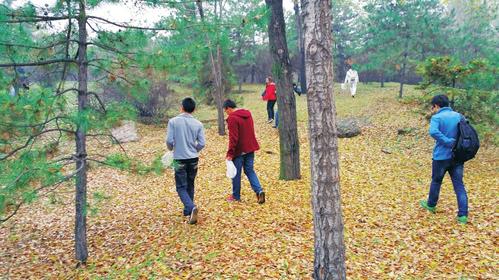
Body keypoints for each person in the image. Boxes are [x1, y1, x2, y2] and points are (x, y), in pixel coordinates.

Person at [420, 94, 469, 224]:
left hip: (441, 157)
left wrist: (447, 141)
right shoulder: (459, 116)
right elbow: (466, 132)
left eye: (433, 107)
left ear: (436, 106)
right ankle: (463, 215)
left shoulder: (437, 117)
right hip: (457, 156)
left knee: (436, 181)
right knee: (459, 184)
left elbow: (433, 132)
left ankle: (431, 205)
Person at [166, 97, 206, 224]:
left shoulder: (173, 122)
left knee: (180, 187)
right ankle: (188, 211)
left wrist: (171, 149)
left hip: (179, 158)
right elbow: (202, 143)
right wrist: (195, 149)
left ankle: (191, 207)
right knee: (190, 183)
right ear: (193, 109)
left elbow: (169, 141)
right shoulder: (198, 124)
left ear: (181, 107)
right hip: (193, 158)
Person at [223, 99, 265, 204]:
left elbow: (233, 138)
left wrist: (230, 154)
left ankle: (236, 196)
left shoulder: (232, 118)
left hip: (239, 150)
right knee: (249, 171)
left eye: (225, 111)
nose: (226, 113)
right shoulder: (247, 114)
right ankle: (259, 191)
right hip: (250, 148)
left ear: (228, 108)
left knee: (236, 173)